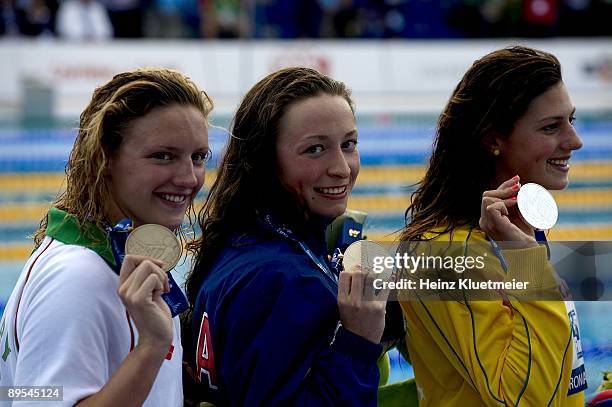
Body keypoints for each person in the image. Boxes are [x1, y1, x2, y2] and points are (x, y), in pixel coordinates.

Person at [0, 68, 213, 406]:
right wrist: (152, 347)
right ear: (106, 157)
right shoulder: (78, 277)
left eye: (198, 157)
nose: (189, 178)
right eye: (163, 156)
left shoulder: (110, 251)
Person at [183, 67, 388, 406]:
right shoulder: (286, 279)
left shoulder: (238, 242)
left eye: (349, 144)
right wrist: (359, 341)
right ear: (265, 161)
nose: (342, 167)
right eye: (315, 150)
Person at [398, 45, 586, 406]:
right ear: (493, 139)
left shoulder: (516, 231)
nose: (574, 141)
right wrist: (530, 264)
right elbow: (520, 399)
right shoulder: (449, 252)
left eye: (571, 121)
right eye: (551, 127)